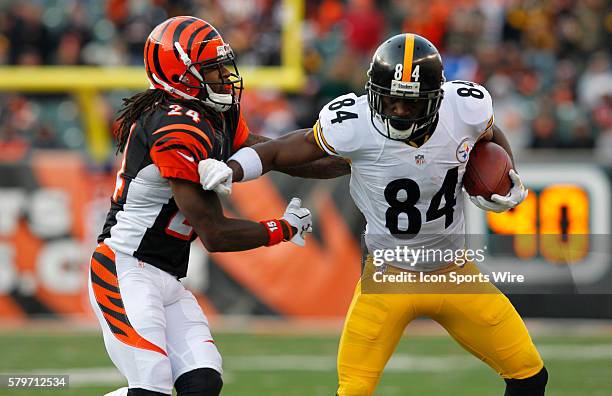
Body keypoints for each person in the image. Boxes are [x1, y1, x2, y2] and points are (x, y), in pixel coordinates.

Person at [200, 33, 548, 395]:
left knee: (529, 374)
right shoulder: (354, 123)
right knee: (354, 390)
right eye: (390, 100)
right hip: (387, 279)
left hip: (454, 272)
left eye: (409, 104)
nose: (397, 111)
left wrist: (507, 177)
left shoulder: (464, 108)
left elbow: (489, 135)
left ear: (435, 99)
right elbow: (282, 151)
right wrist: (234, 168)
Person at [91, 16, 346, 396]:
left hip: (168, 276)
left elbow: (274, 155)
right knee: (151, 387)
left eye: (223, 66)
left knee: (203, 383)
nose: (225, 77)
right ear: (180, 75)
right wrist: (283, 228)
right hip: (126, 268)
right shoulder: (172, 126)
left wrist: (357, 162)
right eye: (212, 70)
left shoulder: (213, 115)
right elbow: (214, 233)